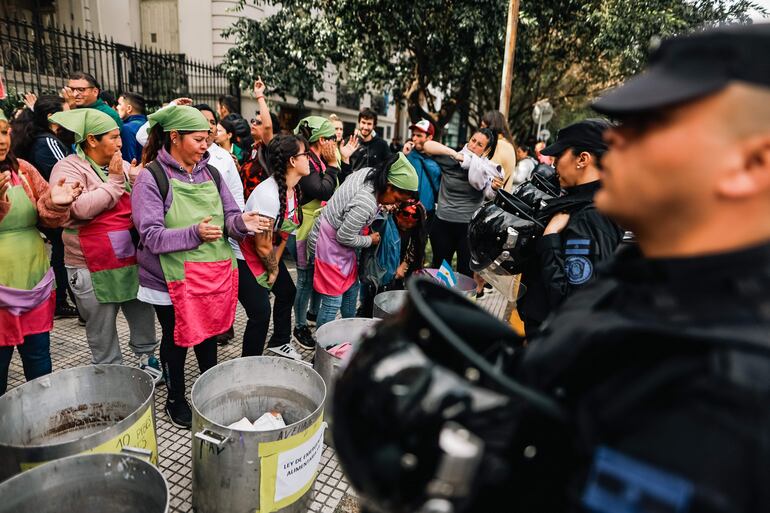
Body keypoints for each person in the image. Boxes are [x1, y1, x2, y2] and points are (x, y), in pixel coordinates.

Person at [132, 105, 271, 428]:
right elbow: (151, 236)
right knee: (177, 337)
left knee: (208, 333)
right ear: (174, 137)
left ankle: (207, 390)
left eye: (207, 138)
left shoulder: (212, 173)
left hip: (210, 273)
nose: (205, 145)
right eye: (198, 139)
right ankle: (175, 398)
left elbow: (230, 217)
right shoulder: (151, 179)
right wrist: (194, 233)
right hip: (169, 279)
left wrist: (242, 222)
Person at [48, 109, 161, 379]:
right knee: (101, 326)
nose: (120, 143)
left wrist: (136, 179)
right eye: (113, 137)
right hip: (89, 264)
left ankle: (148, 359)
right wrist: (114, 183)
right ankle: (111, 374)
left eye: (119, 136)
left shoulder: (119, 163)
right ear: (91, 140)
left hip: (130, 258)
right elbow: (79, 209)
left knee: (142, 312)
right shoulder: (67, 167)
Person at [516, 119, 623, 337]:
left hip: (552, 335)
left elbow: (571, 299)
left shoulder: (591, 216)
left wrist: (550, 238)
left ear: (583, 159)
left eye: (559, 156)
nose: (553, 164)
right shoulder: (582, 202)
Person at [0, 111, 82, 394]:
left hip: (35, 278)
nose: (1, 141)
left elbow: (46, 215)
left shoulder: (23, 170)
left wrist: (56, 203)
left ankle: (42, 418)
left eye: (4, 132)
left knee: (39, 361)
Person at [308, 153, 418, 327]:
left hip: (341, 247)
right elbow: (343, 237)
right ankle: (323, 345)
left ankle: (349, 332)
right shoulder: (366, 203)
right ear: (388, 186)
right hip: (329, 246)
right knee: (332, 301)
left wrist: (384, 205)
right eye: (397, 200)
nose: (396, 205)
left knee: (352, 290)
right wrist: (370, 240)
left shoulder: (369, 173)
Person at [239, 134, 309, 360]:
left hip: (267, 252)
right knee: (260, 313)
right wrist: (272, 269)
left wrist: (276, 268)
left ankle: (280, 341)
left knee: (287, 291)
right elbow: (261, 245)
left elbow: (283, 235)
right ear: (292, 161)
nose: (309, 159)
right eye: (305, 154)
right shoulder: (268, 195)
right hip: (244, 256)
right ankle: (250, 364)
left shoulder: (293, 189)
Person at [14, 95, 79, 319]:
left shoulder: (44, 138)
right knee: (61, 254)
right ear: (52, 118)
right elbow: (66, 173)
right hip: (52, 206)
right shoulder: (48, 142)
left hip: (49, 208)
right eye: (67, 111)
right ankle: (63, 299)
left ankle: (61, 298)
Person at [196, 103, 244, 346]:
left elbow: (236, 198)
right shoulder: (177, 159)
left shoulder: (224, 158)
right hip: (192, 237)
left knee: (221, 283)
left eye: (213, 122)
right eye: (203, 121)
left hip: (221, 232)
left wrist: (238, 224)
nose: (209, 126)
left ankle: (222, 325)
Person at [423, 129, 498, 277]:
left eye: (480, 144)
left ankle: (459, 300)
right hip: (443, 224)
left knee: (465, 272)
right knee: (441, 271)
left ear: (486, 149)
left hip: (468, 228)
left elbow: (490, 194)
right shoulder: (451, 158)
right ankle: (440, 299)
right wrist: (455, 154)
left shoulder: (486, 169)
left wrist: (495, 187)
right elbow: (427, 145)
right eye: (473, 140)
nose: (473, 145)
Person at [292, 116, 340, 349]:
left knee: (315, 276)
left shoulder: (318, 159)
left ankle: (311, 314)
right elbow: (323, 191)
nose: (336, 141)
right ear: (322, 139)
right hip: (304, 230)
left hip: (319, 228)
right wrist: (333, 165)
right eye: (332, 137)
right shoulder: (308, 162)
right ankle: (299, 325)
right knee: (304, 280)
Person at [240, 79, 275, 198]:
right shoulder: (252, 148)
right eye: (253, 120)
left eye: (258, 122)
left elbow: (267, 126)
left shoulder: (268, 148)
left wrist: (259, 95)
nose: (254, 123)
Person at [404, 119, 441, 233]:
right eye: (413, 135)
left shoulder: (439, 159)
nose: (414, 138)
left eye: (419, 135)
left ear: (429, 138)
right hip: (406, 209)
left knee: (420, 246)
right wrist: (403, 155)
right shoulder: (408, 155)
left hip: (427, 212)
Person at [340, 107, 391, 180]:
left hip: (374, 188)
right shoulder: (349, 142)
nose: (365, 127)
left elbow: (389, 167)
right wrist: (344, 158)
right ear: (359, 122)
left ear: (374, 126)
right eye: (363, 122)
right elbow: (342, 171)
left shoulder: (382, 145)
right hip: (353, 186)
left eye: (369, 124)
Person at [481, 110, 518, 191]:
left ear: (491, 126)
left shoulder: (499, 145)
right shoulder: (507, 144)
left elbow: (486, 175)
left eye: (483, 127)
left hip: (490, 199)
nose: (481, 130)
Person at [116, 92, 147, 164]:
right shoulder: (148, 125)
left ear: (129, 108)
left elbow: (128, 162)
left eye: (120, 104)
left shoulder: (126, 129)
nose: (117, 107)